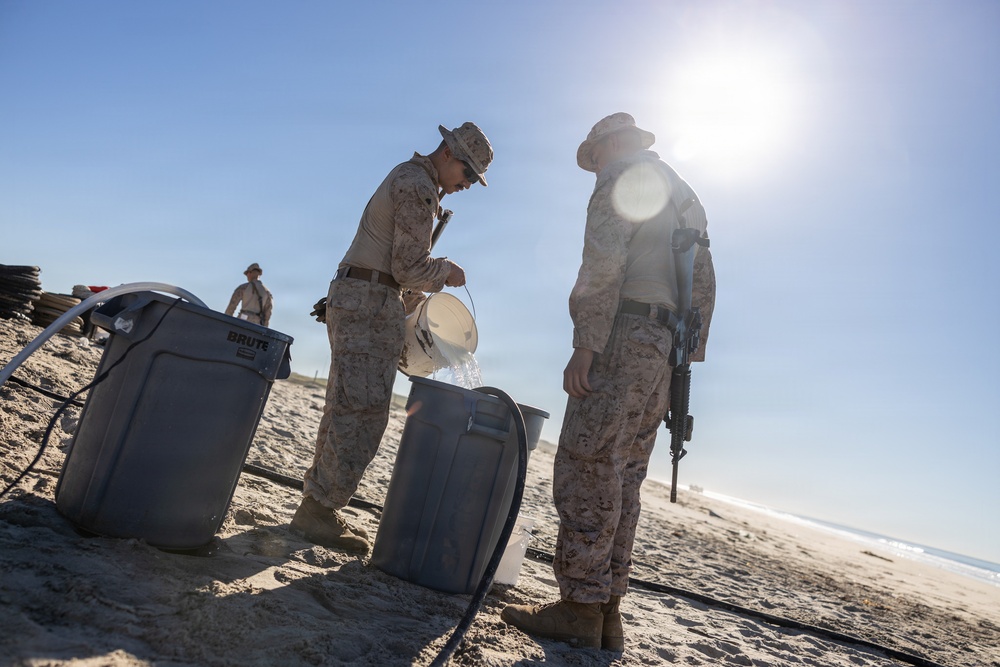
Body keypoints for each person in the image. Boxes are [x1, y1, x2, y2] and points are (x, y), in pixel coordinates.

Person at [501, 113, 716, 651]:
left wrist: (586, 345)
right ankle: (607, 612)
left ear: (611, 145)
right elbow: (706, 282)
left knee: (587, 464)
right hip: (665, 354)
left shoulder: (621, 178)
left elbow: (602, 262)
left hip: (624, 334)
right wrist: (685, 356)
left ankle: (579, 607)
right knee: (624, 478)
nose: (593, 165)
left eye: (593, 155)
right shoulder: (685, 194)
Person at [290, 122, 494, 555]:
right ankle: (319, 510)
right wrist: (447, 272)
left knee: (345, 404)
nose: (468, 186)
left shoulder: (413, 179)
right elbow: (408, 267)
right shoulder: (418, 186)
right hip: (369, 299)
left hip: (361, 294)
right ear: (449, 154)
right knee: (363, 412)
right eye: (469, 175)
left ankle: (316, 504)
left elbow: (388, 261)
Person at [224, 263, 273, 327]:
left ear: (250, 273)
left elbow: (231, 307)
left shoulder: (243, 288)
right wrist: (264, 329)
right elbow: (268, 314)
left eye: (247, 274)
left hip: (243, 320)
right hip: (257, 324)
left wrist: (225, 323)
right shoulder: (267, 293)